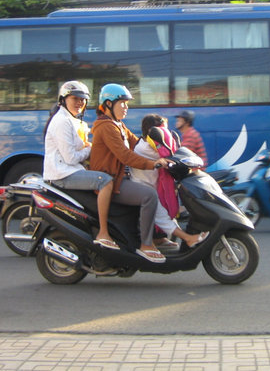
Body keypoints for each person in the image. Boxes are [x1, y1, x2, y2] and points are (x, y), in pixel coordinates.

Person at [89, 84, 169, 263]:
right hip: (110, 180)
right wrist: (153, 164)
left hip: (119, 178)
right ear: (109, 104)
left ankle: (155, 236)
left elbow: (137, 144)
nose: (126, 107)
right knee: (149, 195)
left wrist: (165, 151)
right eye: (122, 103)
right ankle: (146, 245)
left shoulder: (118, 125)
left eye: (127, 103)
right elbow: (126, 156)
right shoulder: (106, 127)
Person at [43, 81, 117, 250]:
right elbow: (70, 158)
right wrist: (90, 149)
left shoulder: (73, 120)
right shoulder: (62, 121)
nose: (79, 103)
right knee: (105, 181)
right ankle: (103, 233)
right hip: (63, 174)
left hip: (71, 170)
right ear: (63, 100)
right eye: (75, 99)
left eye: (82, 100)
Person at [130, 114, 208, 250]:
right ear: (153, 132)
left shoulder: (150, 144)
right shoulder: (149, 147)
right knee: (161, 213)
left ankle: (160, 239)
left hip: (149, 185)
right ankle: (188, 239)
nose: (167, 135)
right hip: (142, 188)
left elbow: (175, 152)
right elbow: (169, 156)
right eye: (163, 131)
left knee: (166, 210)